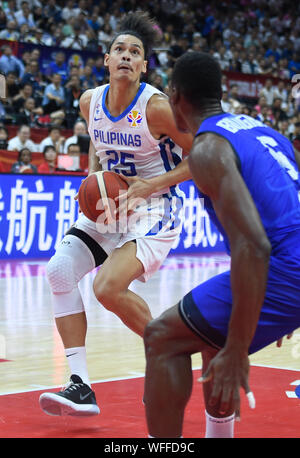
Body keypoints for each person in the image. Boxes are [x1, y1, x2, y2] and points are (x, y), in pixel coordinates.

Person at [39, 11, 193, 417]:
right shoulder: (90, 101)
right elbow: (97, 144)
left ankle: (168, 351)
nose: (126, 56)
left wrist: (149, 185)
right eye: (119, 50)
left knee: (106, 288)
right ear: (106, 60)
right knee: (58, 271)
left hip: (155, 208)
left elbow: (203, 156)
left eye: (135, 52)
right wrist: (94, 179)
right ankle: (80, 384)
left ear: (144, 66)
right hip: (112, 206)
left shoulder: (157, 108)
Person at [143, 51, 300, 438]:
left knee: (162, 338)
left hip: (284, 267)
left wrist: (240, 345)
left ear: (175, 96)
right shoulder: (266, 132)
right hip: (289, 266)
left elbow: (254, 245)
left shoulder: (207, 149)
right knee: (212, 331)